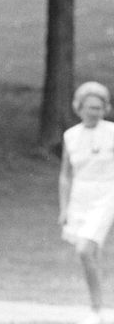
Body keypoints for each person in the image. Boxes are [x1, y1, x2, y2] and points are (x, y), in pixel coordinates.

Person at [59, 81, 114, 324]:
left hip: (107, 194)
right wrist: (63, 208)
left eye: (99, 108)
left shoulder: (112, 132)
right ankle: (100, 311)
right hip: (80, 197)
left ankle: (96, 309)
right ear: (78, 108)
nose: (95, 112)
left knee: (84, 249)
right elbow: (65, 174)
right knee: (91, 253)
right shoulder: (70, 136)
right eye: (90, 107)